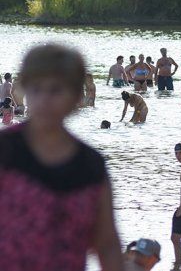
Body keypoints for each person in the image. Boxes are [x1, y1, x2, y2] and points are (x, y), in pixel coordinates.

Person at [0, 45, 123, 271]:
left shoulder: (91, 165)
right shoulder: (5, 150)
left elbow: (107, 245)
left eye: (56, 90)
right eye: (36, 89)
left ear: (77, 96)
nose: (44, 99)